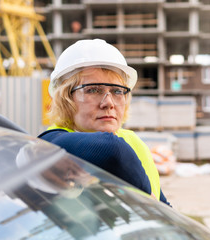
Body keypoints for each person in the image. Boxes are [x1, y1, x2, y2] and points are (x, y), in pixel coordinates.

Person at [39, 39, 169, 205]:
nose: (109, 102)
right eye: (93, 90)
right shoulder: (53, 142)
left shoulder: (134, 142)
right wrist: (146, 203)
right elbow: (113, 149)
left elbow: (164, 204)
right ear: (66, 99)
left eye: (117, 91)